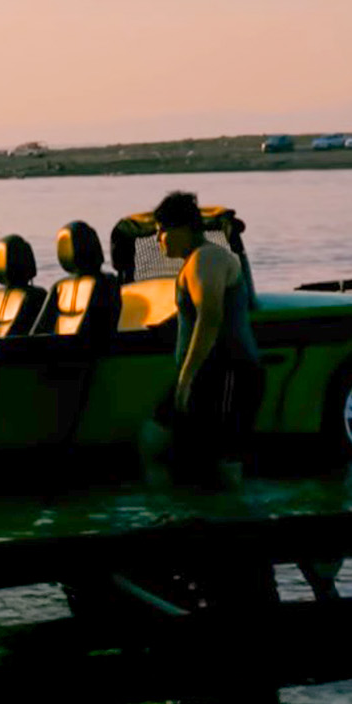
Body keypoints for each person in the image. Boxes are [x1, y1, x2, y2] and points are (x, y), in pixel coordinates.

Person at [153, 190, 263, 487]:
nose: (158, 238)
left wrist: (186, 379)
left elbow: (210, 317)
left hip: (230, 372)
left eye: (162, 230)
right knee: (157, 440)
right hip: (206, 374)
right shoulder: (193, 263)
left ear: (184, 229)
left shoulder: (207, 259)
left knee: (223, 461)